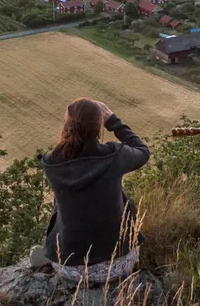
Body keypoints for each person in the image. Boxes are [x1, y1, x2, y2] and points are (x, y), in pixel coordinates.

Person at [41, 98, 150, 284]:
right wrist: (114, 122)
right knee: (123, 199)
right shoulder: (114, 155)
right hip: (120, 264)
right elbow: (142, 151)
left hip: (69, 268)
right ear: (99, 125)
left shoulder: (51, 164)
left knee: (61, 201)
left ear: (67, 126)